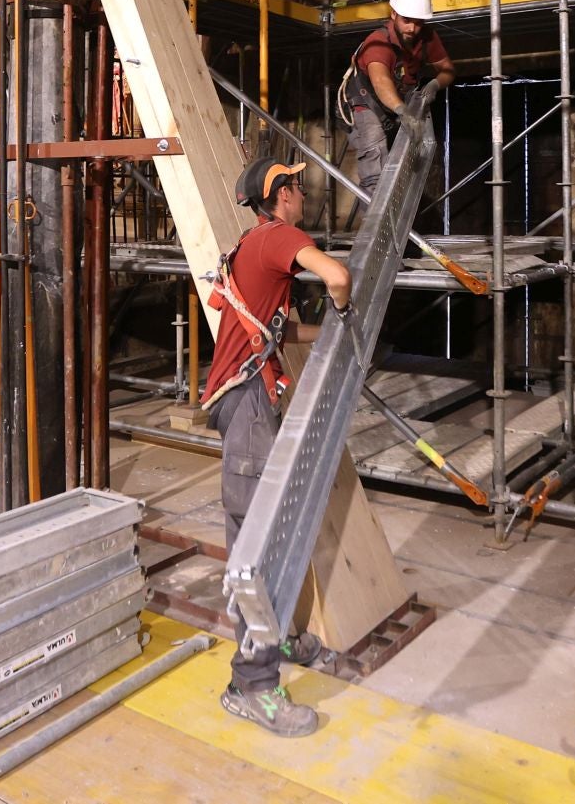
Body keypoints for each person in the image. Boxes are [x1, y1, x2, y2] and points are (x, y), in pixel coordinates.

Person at [202, 155, 353, 736]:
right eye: (296, 187)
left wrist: (334, 332)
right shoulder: (279, 237)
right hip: (247, 411)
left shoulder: (254, 248)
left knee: (274, 530)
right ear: (281, 195)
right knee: (258, 545)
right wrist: (345, 305)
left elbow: (281, 331)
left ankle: (281, 636)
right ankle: (252, 684)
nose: (303, 195)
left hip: (247, 405)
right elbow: (337, 277)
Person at [337, 0, 456, 199]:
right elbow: (381, 82)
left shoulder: (426, 37)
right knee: (375, 175)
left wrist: (435, 84)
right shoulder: (377, 43)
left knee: (405, 170)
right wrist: (403, 112)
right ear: (393, 14)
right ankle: (373, 230)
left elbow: (447, 69)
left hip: (399, 104)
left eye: (418, 22)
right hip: (368, 106)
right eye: (407, 20)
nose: (412, 28)